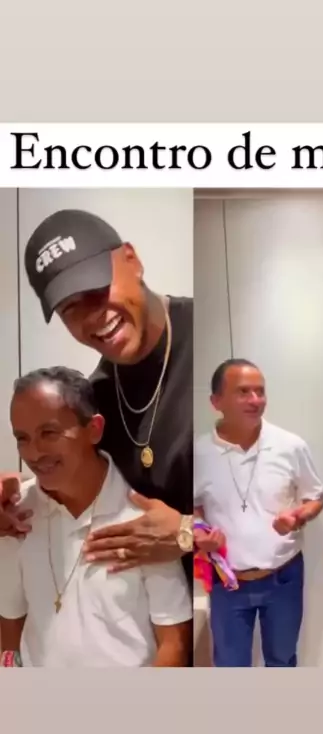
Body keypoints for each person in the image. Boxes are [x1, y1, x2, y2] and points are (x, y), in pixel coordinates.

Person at [0, 209, 194, 655]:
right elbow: (70, 478)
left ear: (132, 260)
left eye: (96, 291)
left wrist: (188, 531)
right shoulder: (98, 396)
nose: (92, 317)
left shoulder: (204, 335)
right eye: (71, 308)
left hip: (217, 598)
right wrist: (12, 504)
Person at [0, 367, 192, 667]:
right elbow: (11, 618)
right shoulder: (15, 515)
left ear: (93, 429)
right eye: (21, 438)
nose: (34, 453)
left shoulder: (146, 522)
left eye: (49, 433)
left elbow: (174, 641)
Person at [194, 359, 323, 667]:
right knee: (230, 665)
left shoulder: (290, 446)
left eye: (260, 391)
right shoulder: (197, 453)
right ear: (216, 402)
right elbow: (193, 506)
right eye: (243, 392)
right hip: (227, 581)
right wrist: (199, 532)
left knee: (282, 661)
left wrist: (298, 517)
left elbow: (315, 497)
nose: (256, 400)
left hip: (283, 577)